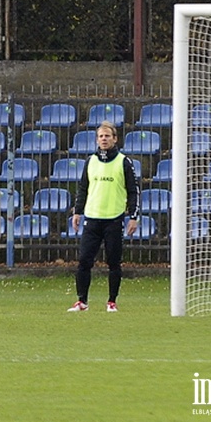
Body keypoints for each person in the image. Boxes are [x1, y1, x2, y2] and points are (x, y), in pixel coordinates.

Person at [69, 120, 140, 313]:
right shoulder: (90, 161)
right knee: (84, 260)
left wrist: (133, 216)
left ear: (115, 139)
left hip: (114, 219)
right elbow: (83, 188)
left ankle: (111, 301)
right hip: (92, 219)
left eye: (107, 136)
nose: (104, 139)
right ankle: (82, 301)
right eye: (100, 136)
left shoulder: (124, 162)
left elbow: (133, 191)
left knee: (114, 262)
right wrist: (77, 212)